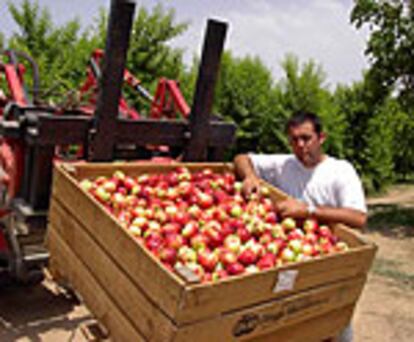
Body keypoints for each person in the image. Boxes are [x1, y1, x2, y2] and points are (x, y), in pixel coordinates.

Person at [234, 111, 367, 342]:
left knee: (331, 321)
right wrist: (250, 177)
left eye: (306, 138)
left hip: (326, 260)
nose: (300, 145)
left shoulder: (340, 171)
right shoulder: (284, 164)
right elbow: (241, 158)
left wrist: (309, 210)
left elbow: (359, 218)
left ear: (321, 138)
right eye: (294, 140)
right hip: (288, 257)